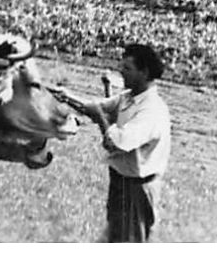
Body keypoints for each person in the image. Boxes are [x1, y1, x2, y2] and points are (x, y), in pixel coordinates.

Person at [54, 44, 171, 242]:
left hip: (137, 189)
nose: (121, 72)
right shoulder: (129, 97)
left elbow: (116, 143)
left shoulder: (151, 110)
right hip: (121, 182)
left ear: (144, 72)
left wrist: (99, 117)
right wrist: (67, 97)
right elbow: (97, 106)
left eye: (127, 68)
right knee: (116, 237)